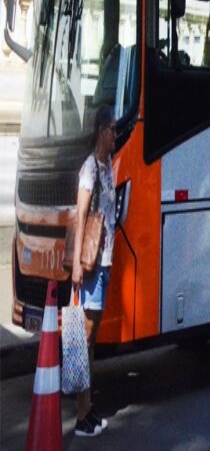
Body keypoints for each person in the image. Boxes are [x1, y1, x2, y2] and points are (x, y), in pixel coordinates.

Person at [71, 104, 117, 438]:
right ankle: (81, 414)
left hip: (105, 262)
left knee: (92, 338)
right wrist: (75, 264)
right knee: (85, 337)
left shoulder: (107, 167)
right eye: (113, 129)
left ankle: (87, 407)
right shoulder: (90, 169)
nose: (116, 135)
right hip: (91, 265)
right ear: (102, 131)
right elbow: (81, 216)